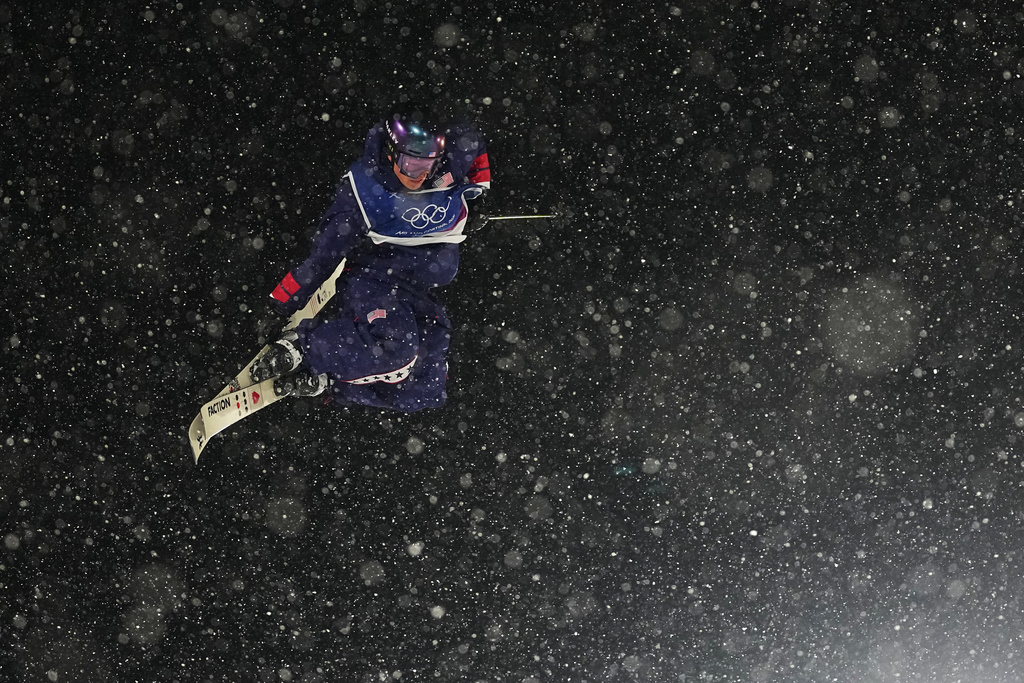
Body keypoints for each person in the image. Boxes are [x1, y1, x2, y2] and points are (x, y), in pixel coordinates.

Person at [250, 104, 492, 412]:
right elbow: (320, 260)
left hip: (419, 289)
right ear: (392, 152)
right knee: (396, 349)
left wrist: (479, 194)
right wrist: (278, 305)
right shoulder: (364, 194)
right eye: (409, 165)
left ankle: (330, 383)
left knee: (426, 391)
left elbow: (474, 145)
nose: (417, 175)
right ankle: (304, 346)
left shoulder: (453, 153)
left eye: (426, 166)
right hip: (376, 279)